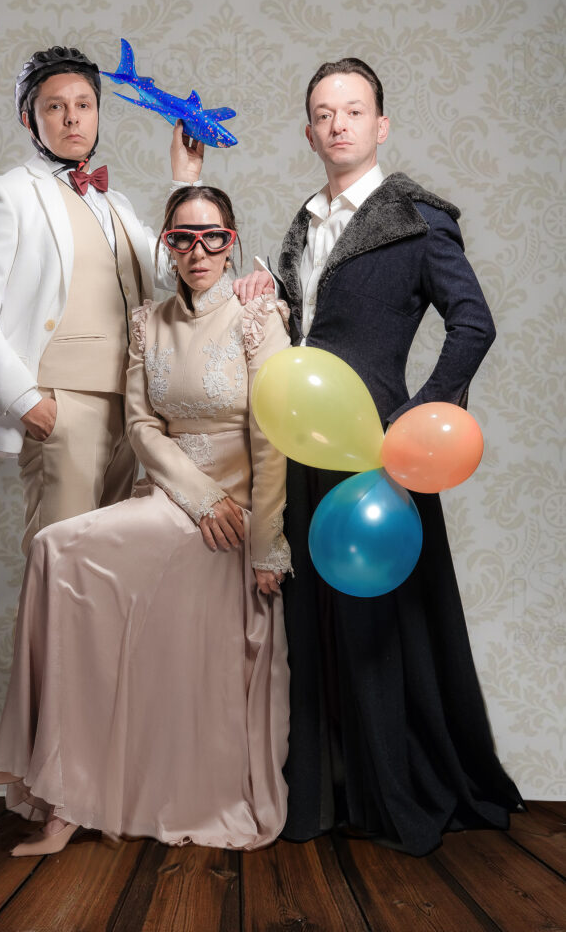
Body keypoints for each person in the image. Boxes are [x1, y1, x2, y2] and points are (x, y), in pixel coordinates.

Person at [236, 58, 522, 855]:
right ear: (309, 132)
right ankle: (324, 796)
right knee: (312, 619)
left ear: (380, 125)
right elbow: (309, 331)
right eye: (323, 113)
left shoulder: (416, 218)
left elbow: (473, 323)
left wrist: (416, 420)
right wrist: (270, 299)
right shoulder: (302, 224)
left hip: (379, 456)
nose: (338, 124)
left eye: (353, 110)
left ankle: (395, 792)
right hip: (303, 446)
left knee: (379, 624)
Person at [0, 186, 293, 855]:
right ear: (165, 246)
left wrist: (266, 544)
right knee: (55, 550)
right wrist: (195, 496)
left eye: (213, 237)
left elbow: (271, 438)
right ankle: (54, 786)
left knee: (62, 552)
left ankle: (52, 778)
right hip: (173, 496)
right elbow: (142, 427)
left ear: (231, 240)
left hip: (235, 510)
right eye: (181, 238)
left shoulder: (259, 318)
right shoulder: (148, 322)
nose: (198, 251)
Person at [0, 45, 203, 554]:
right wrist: (28, 402)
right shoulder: (8, 195)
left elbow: (175, 268)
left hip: (132, 409)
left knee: (107, 567)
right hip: (63, 407)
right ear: (29, 119)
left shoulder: (115, 203)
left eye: (84, 104)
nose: (72, 118)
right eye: (55, 106)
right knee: (61, 563)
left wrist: (187, 182)